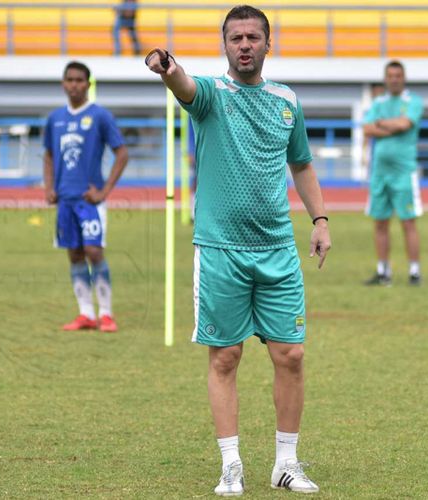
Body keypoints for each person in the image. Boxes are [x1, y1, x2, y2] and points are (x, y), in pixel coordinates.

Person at [146, 5, 331, 496]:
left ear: (269, 43)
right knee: (225, 357)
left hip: (277, 250)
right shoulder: (210, 95)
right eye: (235, 38)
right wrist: (168, 68)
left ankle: (286, 464)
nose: (244, 44)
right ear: (224, 45)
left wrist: (320, 219)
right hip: (221, 250)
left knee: (290, 354)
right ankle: (231, 465)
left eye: (253, 36)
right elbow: (183, 85)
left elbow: (303, 165)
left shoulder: (287, 101)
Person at [43, 61, 129, 333]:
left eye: (80, 80)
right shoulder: (55, 118)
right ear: (63, 84)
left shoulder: (100, 116)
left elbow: (122, 153)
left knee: (93, 251)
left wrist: (104, 192)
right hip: (65, 200)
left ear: (88, 84)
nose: (74, 85)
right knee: (75, 255)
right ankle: (85, 314)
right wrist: (49, 186)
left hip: (90, 200)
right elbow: (48, 154)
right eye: (70, 79)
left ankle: (106, 314)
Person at [362, 61, 423, 286]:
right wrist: (390, 125)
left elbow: (405, 124)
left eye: (398, 75)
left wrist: (381, 125)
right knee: (380, 222)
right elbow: (367, 128)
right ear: (386, 78)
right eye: (390, 75)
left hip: (404, 172)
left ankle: (414, 272)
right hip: (380, 172)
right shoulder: (379, 102)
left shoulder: (413, 102)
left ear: (404, 77)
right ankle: (383, 272)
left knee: (408, 222)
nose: (394, 79)